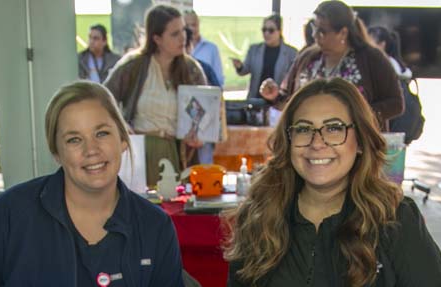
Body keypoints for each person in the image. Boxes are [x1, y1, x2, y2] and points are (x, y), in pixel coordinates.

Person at [0, 81, 185, 287]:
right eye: (74, 139)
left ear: (124, 139)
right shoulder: (10, 214)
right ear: (56, 152)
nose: (91, 150)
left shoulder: (154, 226)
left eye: (102, 133)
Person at [225, 79, 441, 287]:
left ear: (361, 141)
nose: (317, 143)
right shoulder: (260, 210)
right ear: (288, 141)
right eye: (303, 129)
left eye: (334, 128)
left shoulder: (395, 217)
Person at [104, 4, 207, 187]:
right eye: (174, 33)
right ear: (157, 38)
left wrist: (199, 133)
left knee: (176, 208)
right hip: (141, 152)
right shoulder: (134, 66)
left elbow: (203, 111)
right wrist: (121, 125)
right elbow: (103, 99)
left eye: (183, 30)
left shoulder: (191, 70)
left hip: (177, 153)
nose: (183, 37)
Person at [258, 1, 404, 128]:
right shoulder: (307, 57)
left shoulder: (371, 58)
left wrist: (357, 116)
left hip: (358, 148)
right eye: (314, 28)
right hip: (309, 145)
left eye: (322, 31)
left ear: (343, 33)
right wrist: (274, 95)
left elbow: (396, 104)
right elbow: (287, 99)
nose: (315, 35)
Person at [231, 15, 298, 102]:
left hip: (278, 102)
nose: (266, 33)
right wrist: (239, 66)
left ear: (279, 31)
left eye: (271, 30)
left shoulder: (291, 53)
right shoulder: (254, 50)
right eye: (264, 30)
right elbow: (245, 70)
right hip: (256, 100)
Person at [183, 10, 223, 90]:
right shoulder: (176, 49)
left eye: (194, 25)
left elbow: (218, 80)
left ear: (199, 24)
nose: (191, 29)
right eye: (187, 26)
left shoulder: (211, 49)